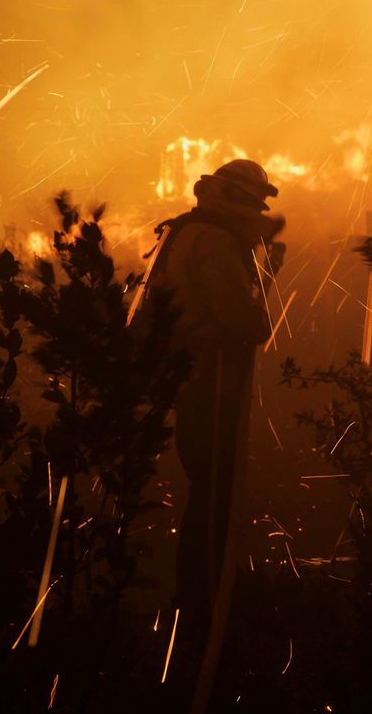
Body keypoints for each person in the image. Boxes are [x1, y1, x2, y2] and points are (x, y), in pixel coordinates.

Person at [140, 158, 284, 707]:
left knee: (207, 487)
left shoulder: (188, 232)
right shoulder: (219, 243)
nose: (257, 214)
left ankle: (199, 599)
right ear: (236, 199)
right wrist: (262, 292)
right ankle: (206, 605)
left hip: (192, 383)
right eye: (253, 203)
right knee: (215, 492)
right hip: (214, 388)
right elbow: (246, 322)